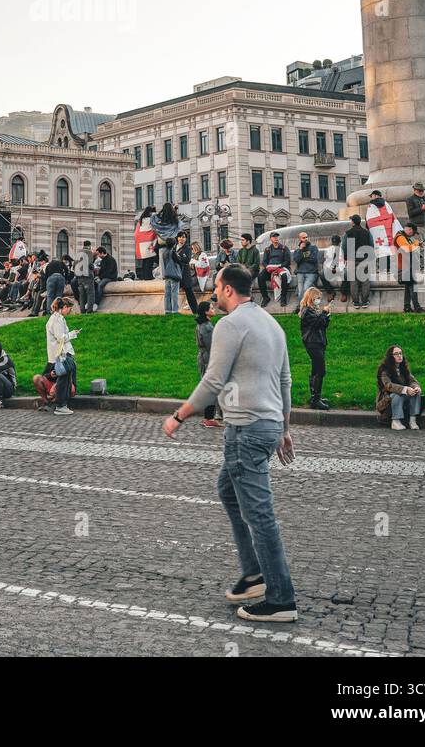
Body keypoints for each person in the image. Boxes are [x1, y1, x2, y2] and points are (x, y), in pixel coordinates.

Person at [162, 265, 297, 624]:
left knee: (260, 515)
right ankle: (253, 575)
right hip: (266, 425)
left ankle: (281, 598)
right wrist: (284, 428)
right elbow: (285, 380)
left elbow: (213, 379)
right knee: (227, 488)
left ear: (228, 290)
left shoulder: (230, 324)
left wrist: (179, 415)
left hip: (246, 429)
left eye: (217, 286)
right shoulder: (271, 324)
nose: (214, 292)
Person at [375, 345, 422, 431]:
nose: (399, 356)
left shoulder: (403, 368)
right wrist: (405, 389)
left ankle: (412, 420)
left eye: (400, 353)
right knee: (397, 395)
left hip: (403, 399)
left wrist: (416, 387)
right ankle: (395, 421)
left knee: (416, 393)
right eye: (396, 354)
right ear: (390, 356)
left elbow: (412, 381)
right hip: (387, 401)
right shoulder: (384, 369)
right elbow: (388, 385)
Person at [46, 297, 79, 415]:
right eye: (69, 308)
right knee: (63, 380)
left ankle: (62, 404)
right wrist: (73, 334)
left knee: (64, 379)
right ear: (64, 307)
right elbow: (61, 338)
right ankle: (61, 405)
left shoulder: (56, 318)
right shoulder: (57, 320)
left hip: (59, 354)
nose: (69, 311)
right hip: (61, 354)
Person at [299, 287, 330, 410]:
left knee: (315, 370)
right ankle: (316, 399)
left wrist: (326, 315)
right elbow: (316, 324)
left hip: (318, 342)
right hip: (313, 343)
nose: (319, 300)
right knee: (320, 371)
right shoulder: (307, 311)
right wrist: (323, 313)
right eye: (317, 298)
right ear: (311, 298)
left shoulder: (313, 310)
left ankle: (315, 397)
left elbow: (322, 325)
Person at [366, 189, 402, 281]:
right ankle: (389, 268)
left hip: (377, 231)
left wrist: (370, 228)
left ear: (375, 195)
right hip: (388, 230)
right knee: (388, 248)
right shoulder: (386, 204)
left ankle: (382, 268)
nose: (371, 197)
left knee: (380, 247)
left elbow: (369, 220)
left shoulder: (371, 205)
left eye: (372, 196)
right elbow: (392, 217)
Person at [196, 301, 221, 428]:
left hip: (204, 357)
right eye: (211, 308)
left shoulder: (203, 325)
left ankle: (210, 416)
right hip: (208, 358)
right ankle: (209, 418)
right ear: (206, 312)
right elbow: (212, 346)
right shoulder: (207, 327)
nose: (213, 309)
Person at [394, 222, 425, 314]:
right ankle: (417, 308)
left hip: (408, 266)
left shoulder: (404, 237)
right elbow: (407, 249)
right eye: (412, 233)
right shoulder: (400, 237)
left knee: (408, 286)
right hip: (405, 266)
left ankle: (407, 307)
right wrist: (416, 243)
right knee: (413, 286)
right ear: (409, 229)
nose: (412, 235)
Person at [341, 214, 375, 308]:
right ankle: (365, 301)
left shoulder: (348, 233)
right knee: (365, 281)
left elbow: (344, 246)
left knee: (353, 281)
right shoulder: (367, 233)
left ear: (353, 222)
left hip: (352, 259)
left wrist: (345, 257)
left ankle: (355, 302)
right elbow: (371, 245)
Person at [258, 233, 292, 309]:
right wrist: (267, 267)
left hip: (281, 267)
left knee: (284, 276)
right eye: (274, 237)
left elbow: (287, 261)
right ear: (271, 239)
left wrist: (279, 266)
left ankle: (283, 297)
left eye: (277, 237)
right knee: (260, 276)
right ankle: (265, 297)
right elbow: (264, 261)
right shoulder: (267, 249)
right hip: (270, 268)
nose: (276, 238)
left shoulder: (284, 248)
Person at [291, 233, 320, 314]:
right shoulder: (297, 250)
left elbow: (314, 259)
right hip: (300, 273)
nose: (306, 239)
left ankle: (300, 308)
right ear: (300, 239)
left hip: (311, 272)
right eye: (304, 237)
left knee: (305, 289)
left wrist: (303, 258)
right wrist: (301, 249)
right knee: (300, 291)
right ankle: (302, 308)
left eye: (307, 237)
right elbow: (296, 260)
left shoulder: (313, 248)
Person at [406, 182, 425, 249]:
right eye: (420, 190)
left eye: (422, 190)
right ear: (415, 190)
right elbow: (410, 213)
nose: (421, 192)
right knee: (422, 247)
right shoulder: (410, 199)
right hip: (419, 226)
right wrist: (421, 209)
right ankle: (424, 260)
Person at [134, 208, 158, 280]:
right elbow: (155, 228)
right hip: (149, 243)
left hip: (141, 244)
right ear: (151, 213)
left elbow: (136, 233)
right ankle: (149, 276)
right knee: (150, 261)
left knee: (145, 261)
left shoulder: (141, 221)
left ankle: (144, 276)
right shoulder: (151, 219)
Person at [161, 237, 183, 314]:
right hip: (174, 275)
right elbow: (179, 262)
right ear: (174, 244)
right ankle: (175, 310)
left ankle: (167, 310)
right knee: (174, 294)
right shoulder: (172, 252)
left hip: (167, 275)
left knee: (167, 294)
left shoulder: (164, 253)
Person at [74, 239, 96, 314]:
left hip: (79, 277)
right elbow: (90, 265)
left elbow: (74, 265)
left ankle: (82, 310)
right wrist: (94, 268)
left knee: (81, 295)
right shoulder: (89, 252)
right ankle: (89, 310)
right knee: (90, 294)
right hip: (87, 276)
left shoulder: (78, 252)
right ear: (89, 246)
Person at [320, 236, 342, 303]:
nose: (335, 244)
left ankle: (343, 292)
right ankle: (330, 292)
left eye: (336, 242)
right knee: (322, 273)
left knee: (347, 273)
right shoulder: (328, 250)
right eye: (334, 242)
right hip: (331, 269)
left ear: (339, 242)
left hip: (340, 269)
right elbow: (325, 261)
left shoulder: (342, 250)